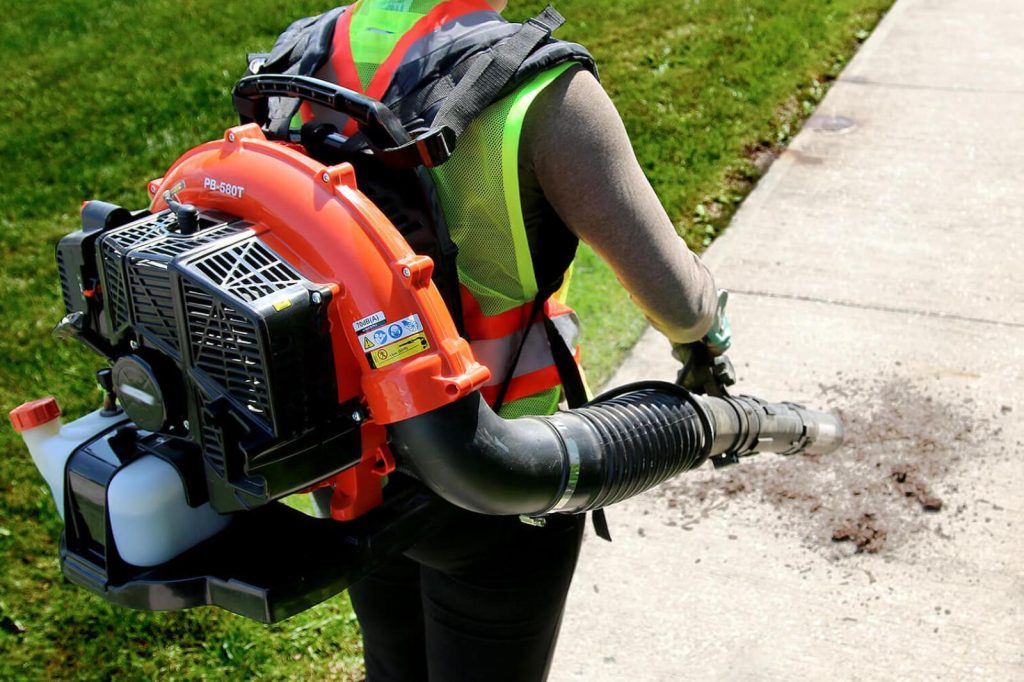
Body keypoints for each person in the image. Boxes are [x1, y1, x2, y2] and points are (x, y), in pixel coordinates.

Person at [264, 1, 725, 678]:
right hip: (500, 464)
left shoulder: (302, 54)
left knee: (393, 661)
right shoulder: (540, 90)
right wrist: (706, 332)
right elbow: (678, 299)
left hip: (356, 457)